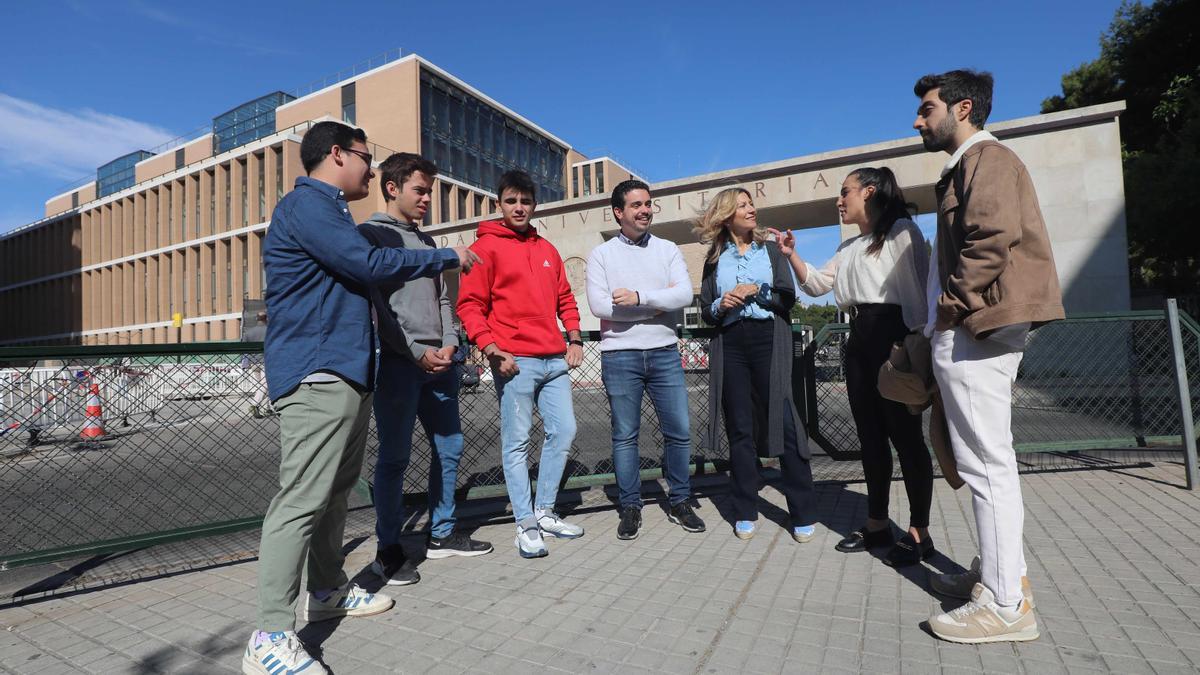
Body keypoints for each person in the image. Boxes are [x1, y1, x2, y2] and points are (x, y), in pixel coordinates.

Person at [243, 121, 479, 675]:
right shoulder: (309, 206)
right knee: (301, 499)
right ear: (336, 154)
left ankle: (326, 590)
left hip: (344, 372)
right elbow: (367, 264)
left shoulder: (330, 211)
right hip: (317, 370)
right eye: (365, 157)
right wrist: (442, 256)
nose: (372, 170)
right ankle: (269, 635)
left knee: (332, 494)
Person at [913, 69, 1063, 643]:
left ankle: (1004, 607)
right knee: (984, 463)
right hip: (973, 327)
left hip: (976, 328)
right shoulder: (971, 164)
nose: (918, 120)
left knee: (985, 466)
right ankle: (1005, 579)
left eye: (928, 109)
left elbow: (990, 239)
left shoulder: (988, 160)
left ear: (964, 108)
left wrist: (950, 308)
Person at [771, 167, 934, 567]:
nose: (839, 201)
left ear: (870, 191)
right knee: (871, 438)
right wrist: (792, 255)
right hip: (860, 339)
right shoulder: (849, 248)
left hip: (894, 338)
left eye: (845, 192)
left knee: (906, 436)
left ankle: (919, 532)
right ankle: (877, 522)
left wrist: (916, 346)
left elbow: (918, 292)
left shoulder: (901, 232)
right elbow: (816, 284)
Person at [357, 152, 493, 587]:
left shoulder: (429, 244)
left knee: (449, 448)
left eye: (430, 192)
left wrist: (452, 342)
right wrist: (415, 350)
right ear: (392, 188)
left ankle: (442, 533)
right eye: (420, 190)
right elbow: (379, 307)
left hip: (442, 364)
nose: (427, 199)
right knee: (394, 459)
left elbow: (442, 300)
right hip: (399, 364)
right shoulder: (371, 236)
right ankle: (388, 549)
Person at [457, 170, 585, 558]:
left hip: (553, 356)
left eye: (525, 201)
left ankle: (545, 510)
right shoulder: (486, 248)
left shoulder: (547, 250)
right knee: (516, 442)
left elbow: (565, 297)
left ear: (534, 205)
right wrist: (491, 346)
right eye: (511, 200)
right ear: (500, 204)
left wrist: (575, 336)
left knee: (564, 430)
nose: (518, 207)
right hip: (514, 360)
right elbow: (469, 305)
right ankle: (525, 523)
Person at [586, 179, 706, 540]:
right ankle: (630, 506)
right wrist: (655, 307)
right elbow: (599, 306)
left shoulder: (667, 249)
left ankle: (681, 501)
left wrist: (637, 297)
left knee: (680, 431)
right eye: (636, 205)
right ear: (618, 212)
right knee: (625, 436)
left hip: (665, 352)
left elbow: (684, 295)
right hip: (619, 355)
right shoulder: (602, 254)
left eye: (648, 204)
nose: (645, 210)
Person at [696, 187, 817, 543]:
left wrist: (757, 293)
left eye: (752, 204)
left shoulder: (770, 250)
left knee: (785, 421)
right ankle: (745, 509)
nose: (751, 210)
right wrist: (724, 302)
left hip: (769, 338)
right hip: (731, 343)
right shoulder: (715, 257)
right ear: (727, 215)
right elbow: (706, 309)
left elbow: (787, 296)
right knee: (740, 427)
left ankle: (803, 510)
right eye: (743, 205)